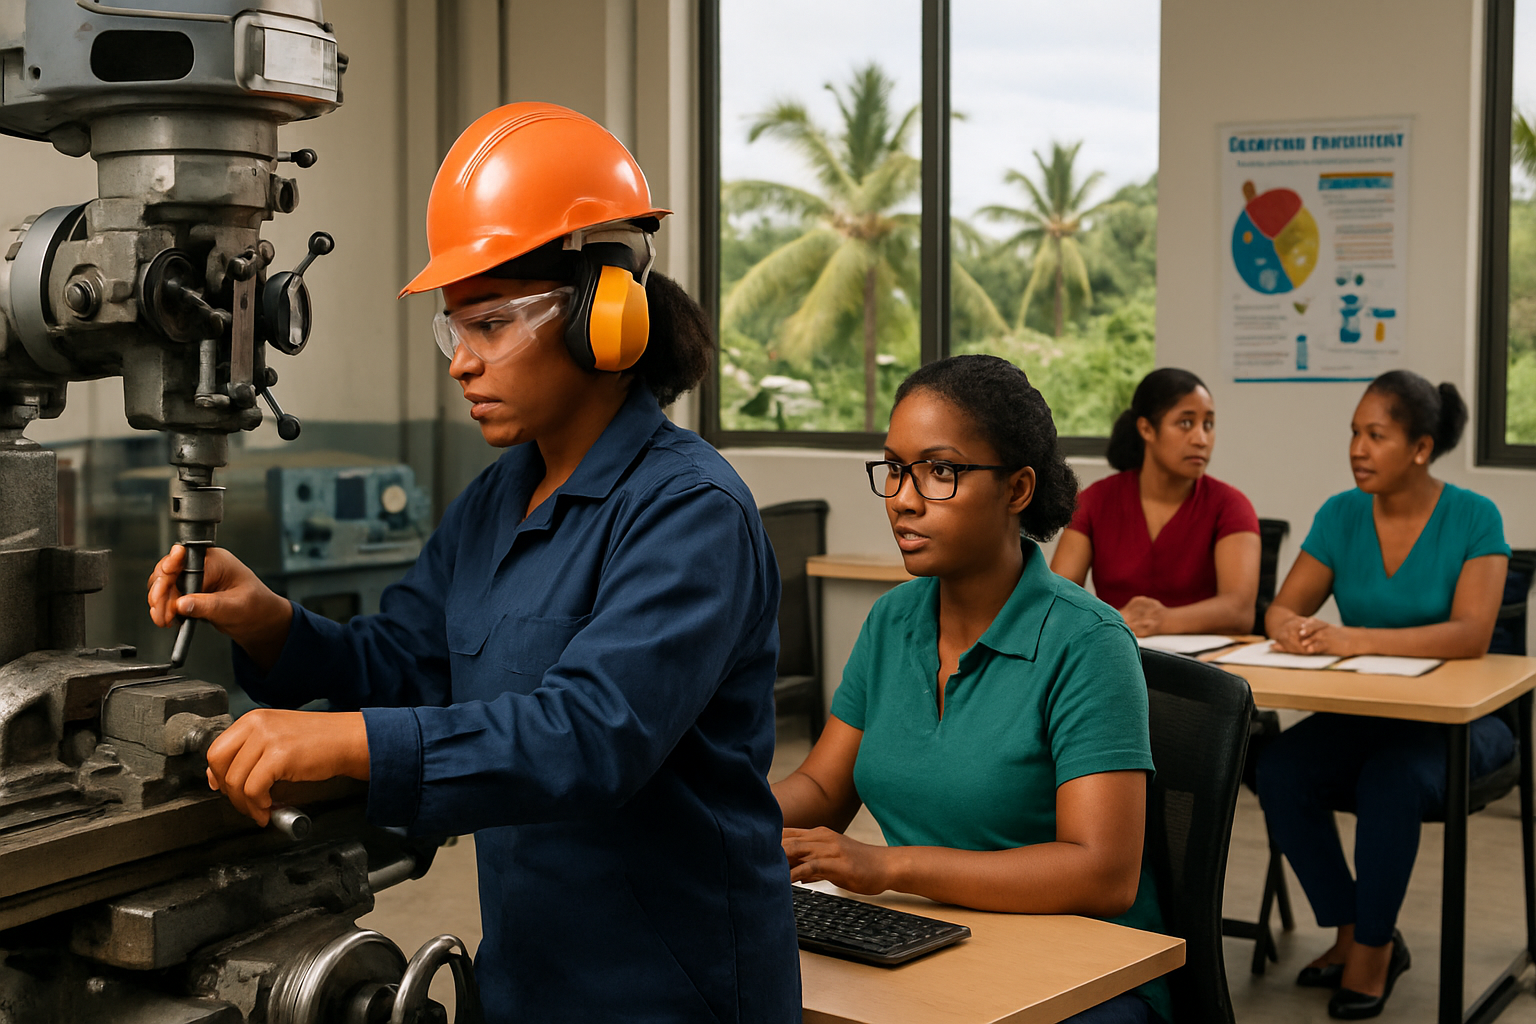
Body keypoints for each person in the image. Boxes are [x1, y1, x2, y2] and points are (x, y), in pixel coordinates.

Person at [145, 103, 800, 1023]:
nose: (461, 363)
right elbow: (409, 661)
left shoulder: (689, 512)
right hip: (529, 976)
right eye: (454, 331)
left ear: (603, 319)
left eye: (490, 325)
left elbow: (592, 736)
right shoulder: (499, 498)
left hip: (669, 990)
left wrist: (350, 742)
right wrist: (272, 623)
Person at [774, 355, 1170, 1024]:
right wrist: (718, 818)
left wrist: (891, 868)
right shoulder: (892, 620)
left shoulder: (1088, 642)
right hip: (931, 945)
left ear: (1017, 489)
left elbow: (1102, 872)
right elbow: (820, 789)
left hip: (1085, 979)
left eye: (940, 471)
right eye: (894, 468)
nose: (903, 498)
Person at [1257, 371, 1512, 1020]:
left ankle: (1373, 949)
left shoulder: (1474, 516)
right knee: (1278, 768)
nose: (1357, 449)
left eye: (1376, 436)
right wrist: (1290, 628)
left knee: (1392, 780)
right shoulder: (1341, 514)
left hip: (1463, 726)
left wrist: (1353, 639)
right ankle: (1351, 929)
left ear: (1421, 448)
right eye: (1354, 433)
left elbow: (1471, 634)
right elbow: (1282, 607)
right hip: (1369, 716)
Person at [1051, 368, 1260, 637]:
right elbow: (1057, 601)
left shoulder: (1231, 505)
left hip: (1204, 661)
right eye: (1186, 423)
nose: (1201, 439)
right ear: (1146, 429)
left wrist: (1161, 621)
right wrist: (1117, 622)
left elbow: (1239, 612)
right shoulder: (1095, 501)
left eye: (1208, 425)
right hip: (1114, 650)